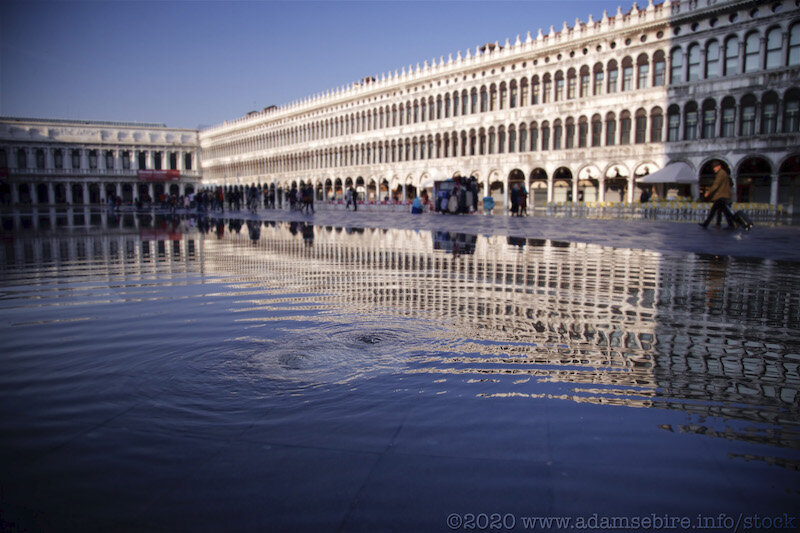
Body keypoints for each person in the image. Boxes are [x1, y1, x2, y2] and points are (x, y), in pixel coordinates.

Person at [699, 161, 735, 229]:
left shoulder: (721, 174)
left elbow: (716, 185)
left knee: (715, 210)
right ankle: (722, 224)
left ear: (719, 167)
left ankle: (706, 224)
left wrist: (708, 192)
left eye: (715, 167)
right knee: (721, 210)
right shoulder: (722, 173)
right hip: (722, 195)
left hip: (721, 195)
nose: (714, 169)